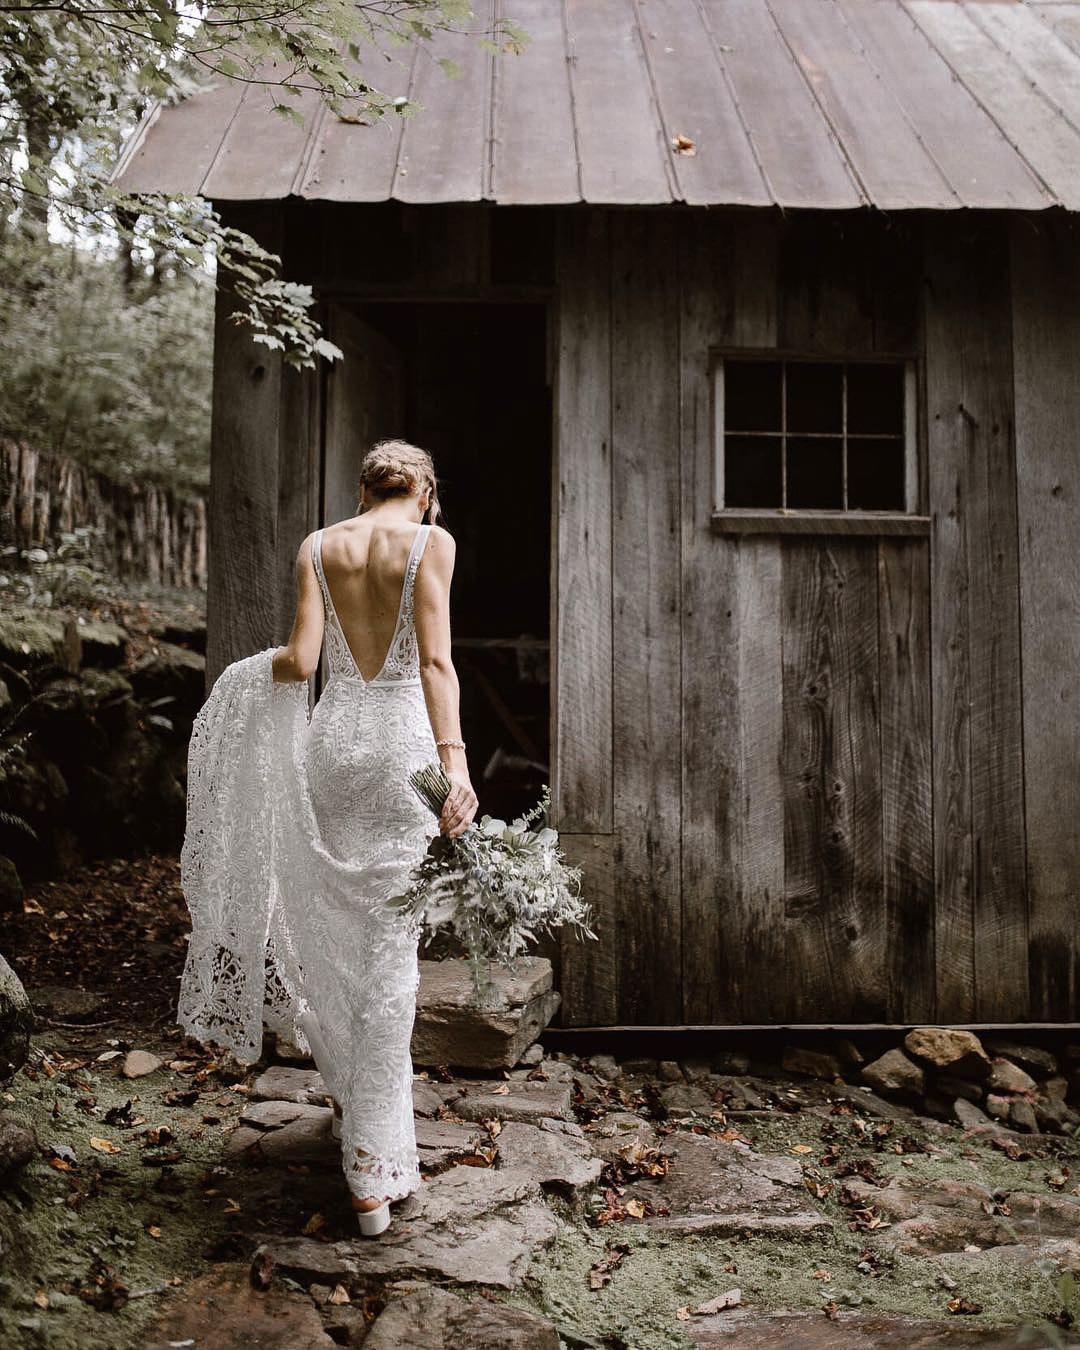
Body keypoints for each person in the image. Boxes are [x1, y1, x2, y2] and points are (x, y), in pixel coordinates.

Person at [178, 439, 477, 1239]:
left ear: (361, 489)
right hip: (401, 754)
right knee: (389, 956)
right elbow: (437, 665)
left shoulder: (319, 545)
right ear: (425, 490)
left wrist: (242, 677)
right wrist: (455, 763)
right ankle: (373, 1173)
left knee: (334, 938)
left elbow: (302, 660)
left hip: (333, 748)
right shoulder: (432, 542)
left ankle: (353, 1108)